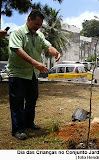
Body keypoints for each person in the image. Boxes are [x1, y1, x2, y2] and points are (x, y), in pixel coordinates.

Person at [7, 9, 61, 140]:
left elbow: (48, 46)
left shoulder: (39, 35)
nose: (38, 27)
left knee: (32, 100)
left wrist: (56, 52)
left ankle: (29, 123)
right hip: (18, 73)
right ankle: (18, 129)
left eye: (40, 25)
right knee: (17, 102)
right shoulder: (17, 32)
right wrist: (35, 63)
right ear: (28, 20)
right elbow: (17, 50)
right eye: (36, 24)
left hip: (32, 74)